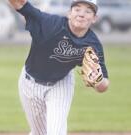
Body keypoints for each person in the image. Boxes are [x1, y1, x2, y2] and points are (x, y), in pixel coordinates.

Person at [8, 0, 109, 135]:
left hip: (61, 84)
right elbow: (20, 5)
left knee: (56, 132)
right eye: (77, 9)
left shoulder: (92, 44)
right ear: (69, 13)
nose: (82, 14)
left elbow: (104, 85)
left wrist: (98, 81)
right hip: (30, 83)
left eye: (88, 11)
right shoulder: (49, 24)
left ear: (94, 18)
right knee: (40, 132)